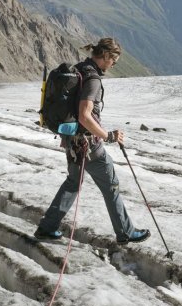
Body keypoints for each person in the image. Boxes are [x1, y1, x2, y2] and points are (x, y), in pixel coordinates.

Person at [34, 38, 151, 244]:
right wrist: (108, 136)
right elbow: (84, 115)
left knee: (73, 182)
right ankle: (125, 232)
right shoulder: (93, 79)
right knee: (110, 185)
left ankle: (48, 227)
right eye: (113, 59)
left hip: (71, 140)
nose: (114, 63)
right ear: (105, 55)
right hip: (89, 144)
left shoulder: (80, 69)